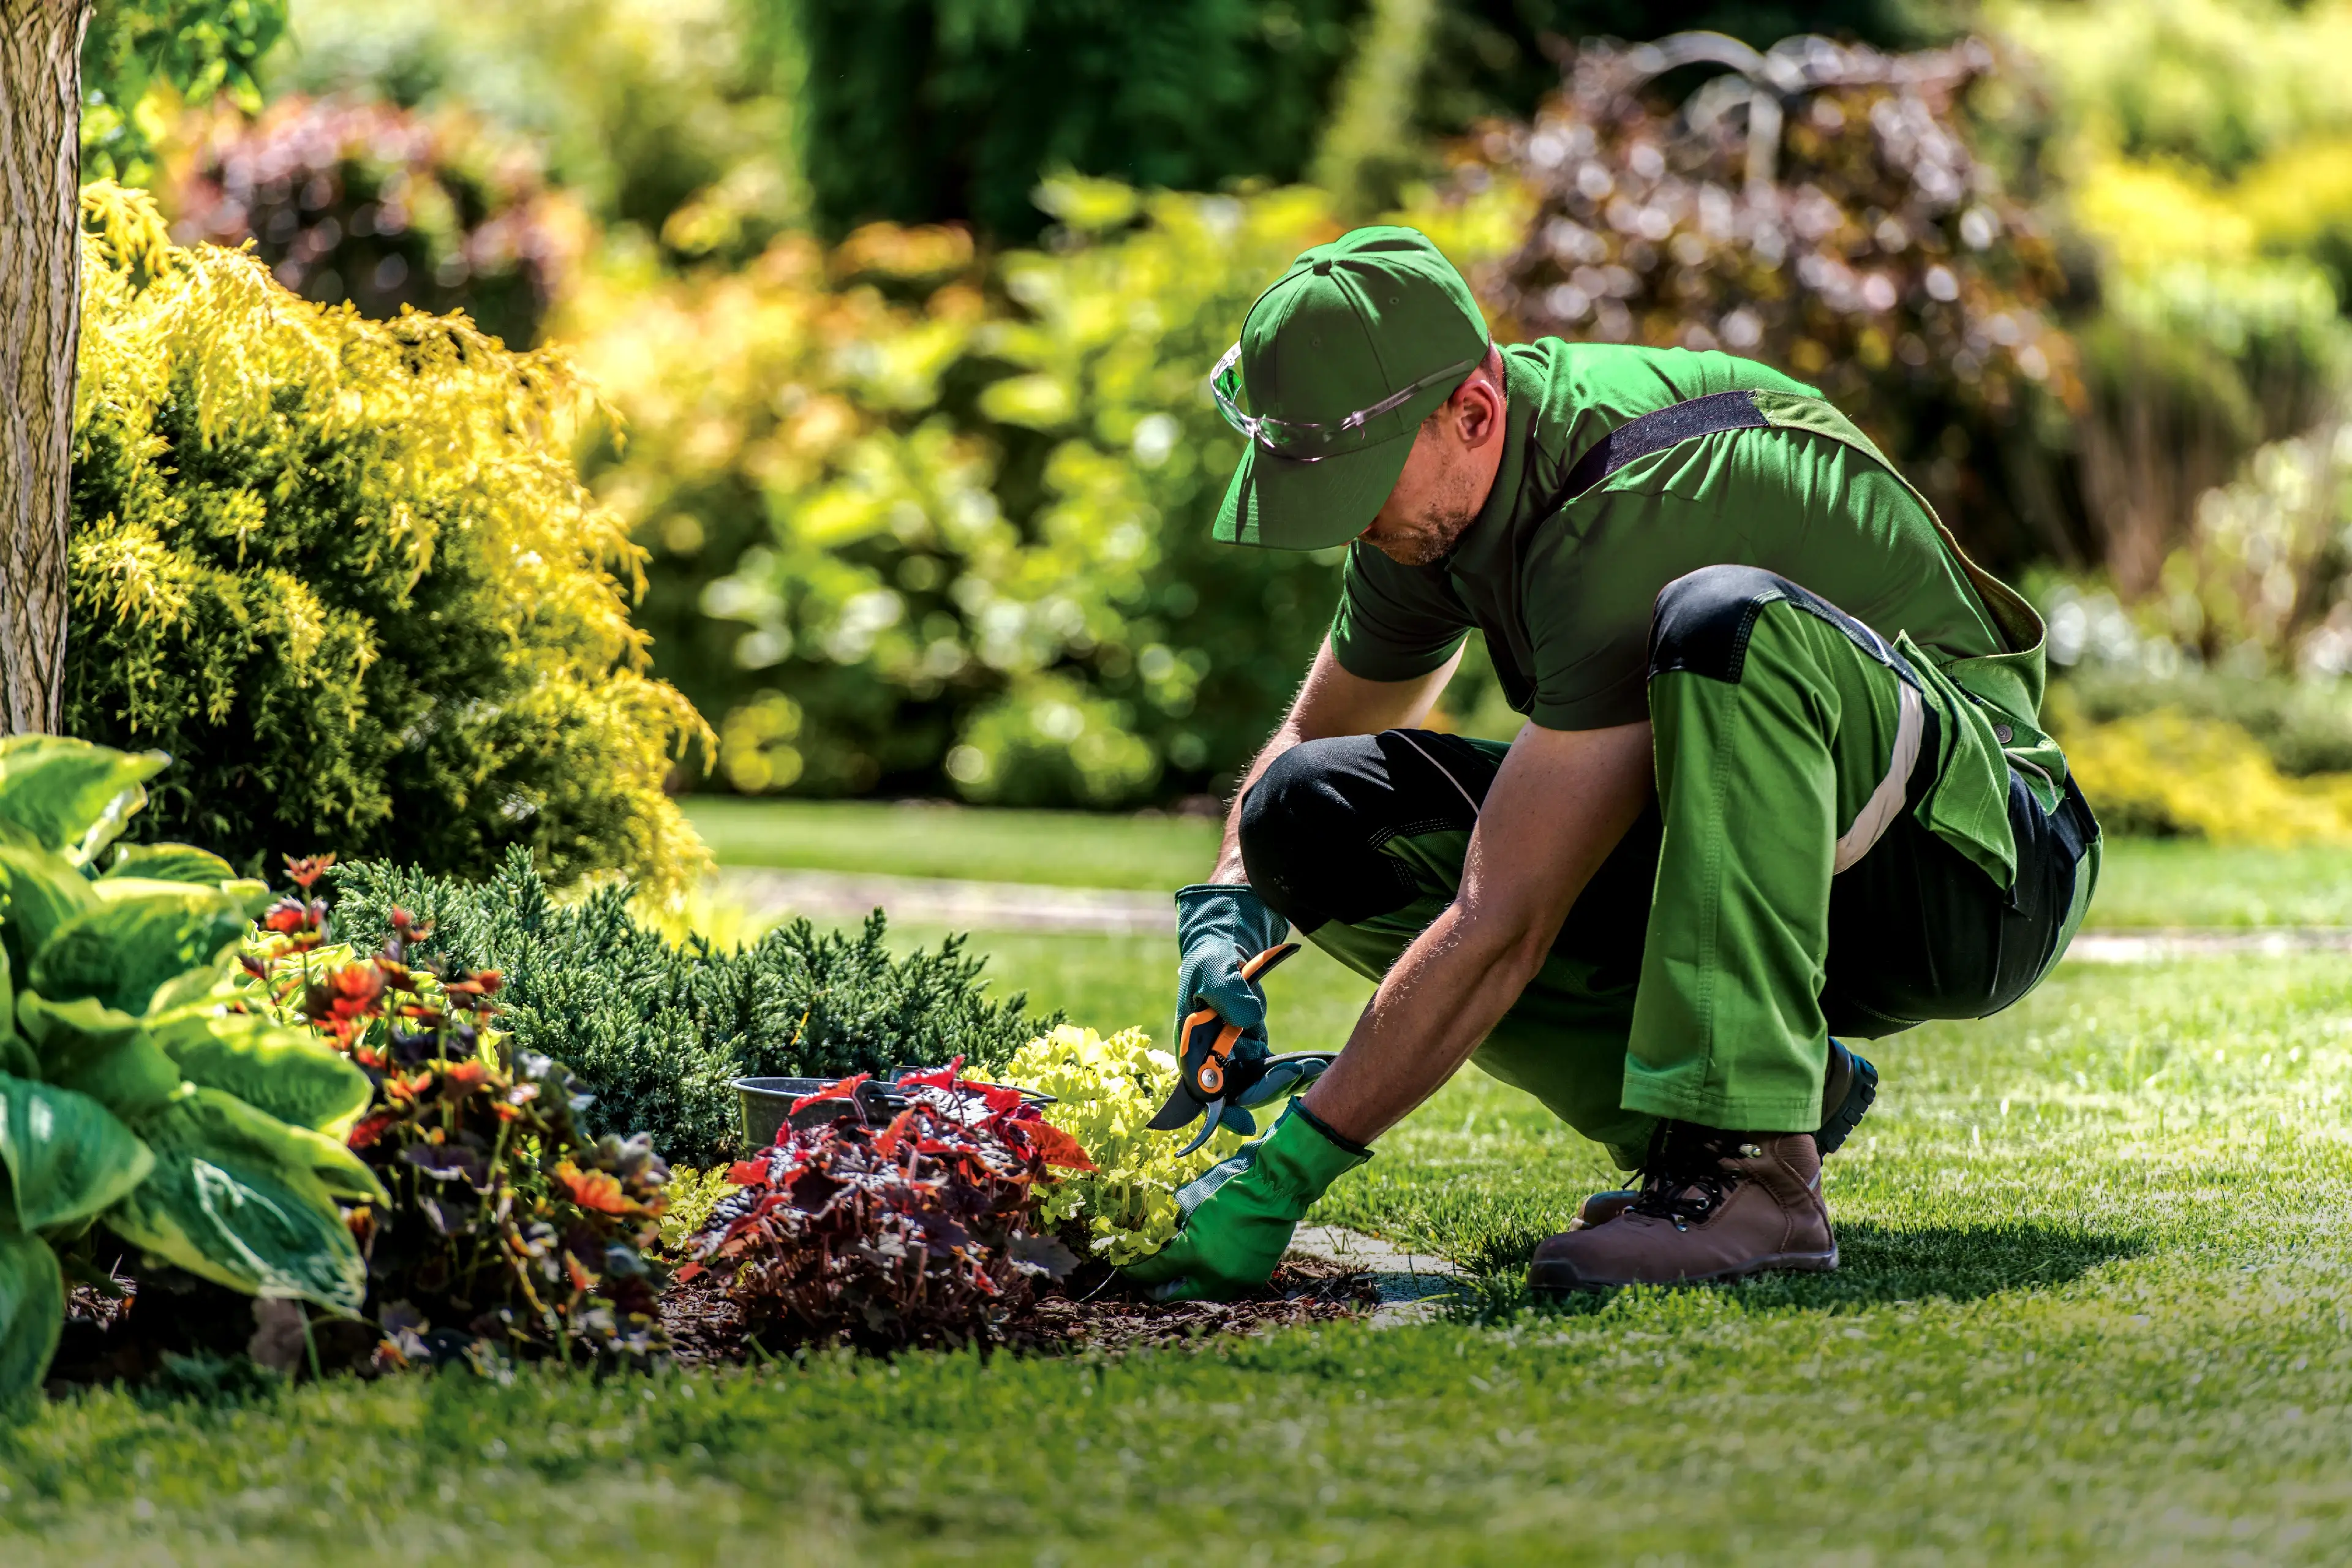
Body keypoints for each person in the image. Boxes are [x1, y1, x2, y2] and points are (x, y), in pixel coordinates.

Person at [1121, 226, 2100, 1302]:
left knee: (1727, 621)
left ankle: (1749, 1169)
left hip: (1975, 868)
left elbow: (1506, 918)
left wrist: (1286, 1173)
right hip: (1792, 849)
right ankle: (1755, 1106)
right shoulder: (1432, 513)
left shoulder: (1631, 502)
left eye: (1357, 489)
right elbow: (1307, 744)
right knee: (1302, 815)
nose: (1345, 526)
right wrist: (1225, 914)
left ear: (1474, 414)